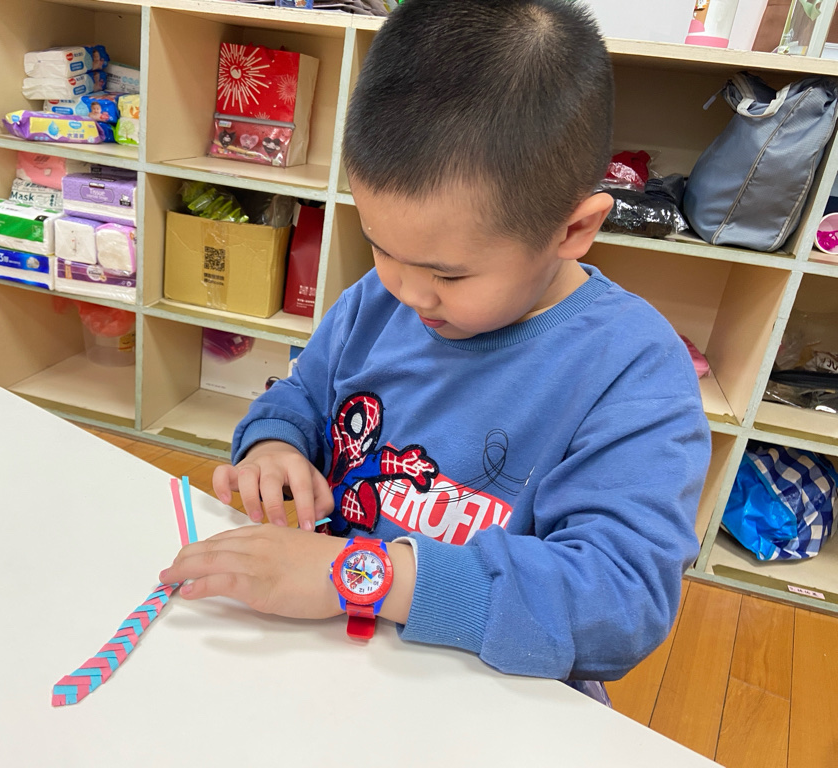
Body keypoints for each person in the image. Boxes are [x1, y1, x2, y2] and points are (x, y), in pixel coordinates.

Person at [159, 0, 711, 701]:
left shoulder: (632, 369)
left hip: (489, 700)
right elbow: (301, 396)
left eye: (448, 275)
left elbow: (620, 605)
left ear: (574, 230)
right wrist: (274, 446)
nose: (408, 292)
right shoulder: (378, 299)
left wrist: (357, 575)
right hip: (328, 667)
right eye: (380, 246)